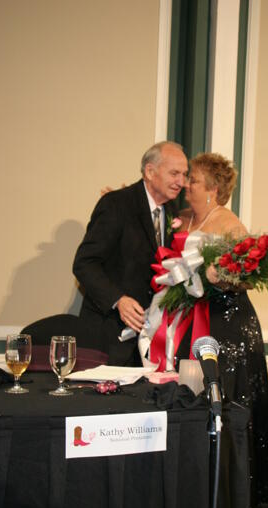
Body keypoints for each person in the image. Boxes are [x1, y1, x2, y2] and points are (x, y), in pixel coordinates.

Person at [176, 152, 268, 508]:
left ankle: (234, 491)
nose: (187, 185)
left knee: (227, 395)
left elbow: (250, 276)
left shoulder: (229, 223)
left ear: (213, 189)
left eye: (195, 181)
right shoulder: (188, 218)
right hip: (198, 321)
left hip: (229, 325)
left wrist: (222, 277)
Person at [73, 141, 189, 366]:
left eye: (184, 175)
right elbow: (84, 263)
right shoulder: (116, 204)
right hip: (108, 335)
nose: (181, 182)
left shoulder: (172, 211)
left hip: (148, 341)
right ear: (149, 171)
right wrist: (118, 300)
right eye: (174, 173)